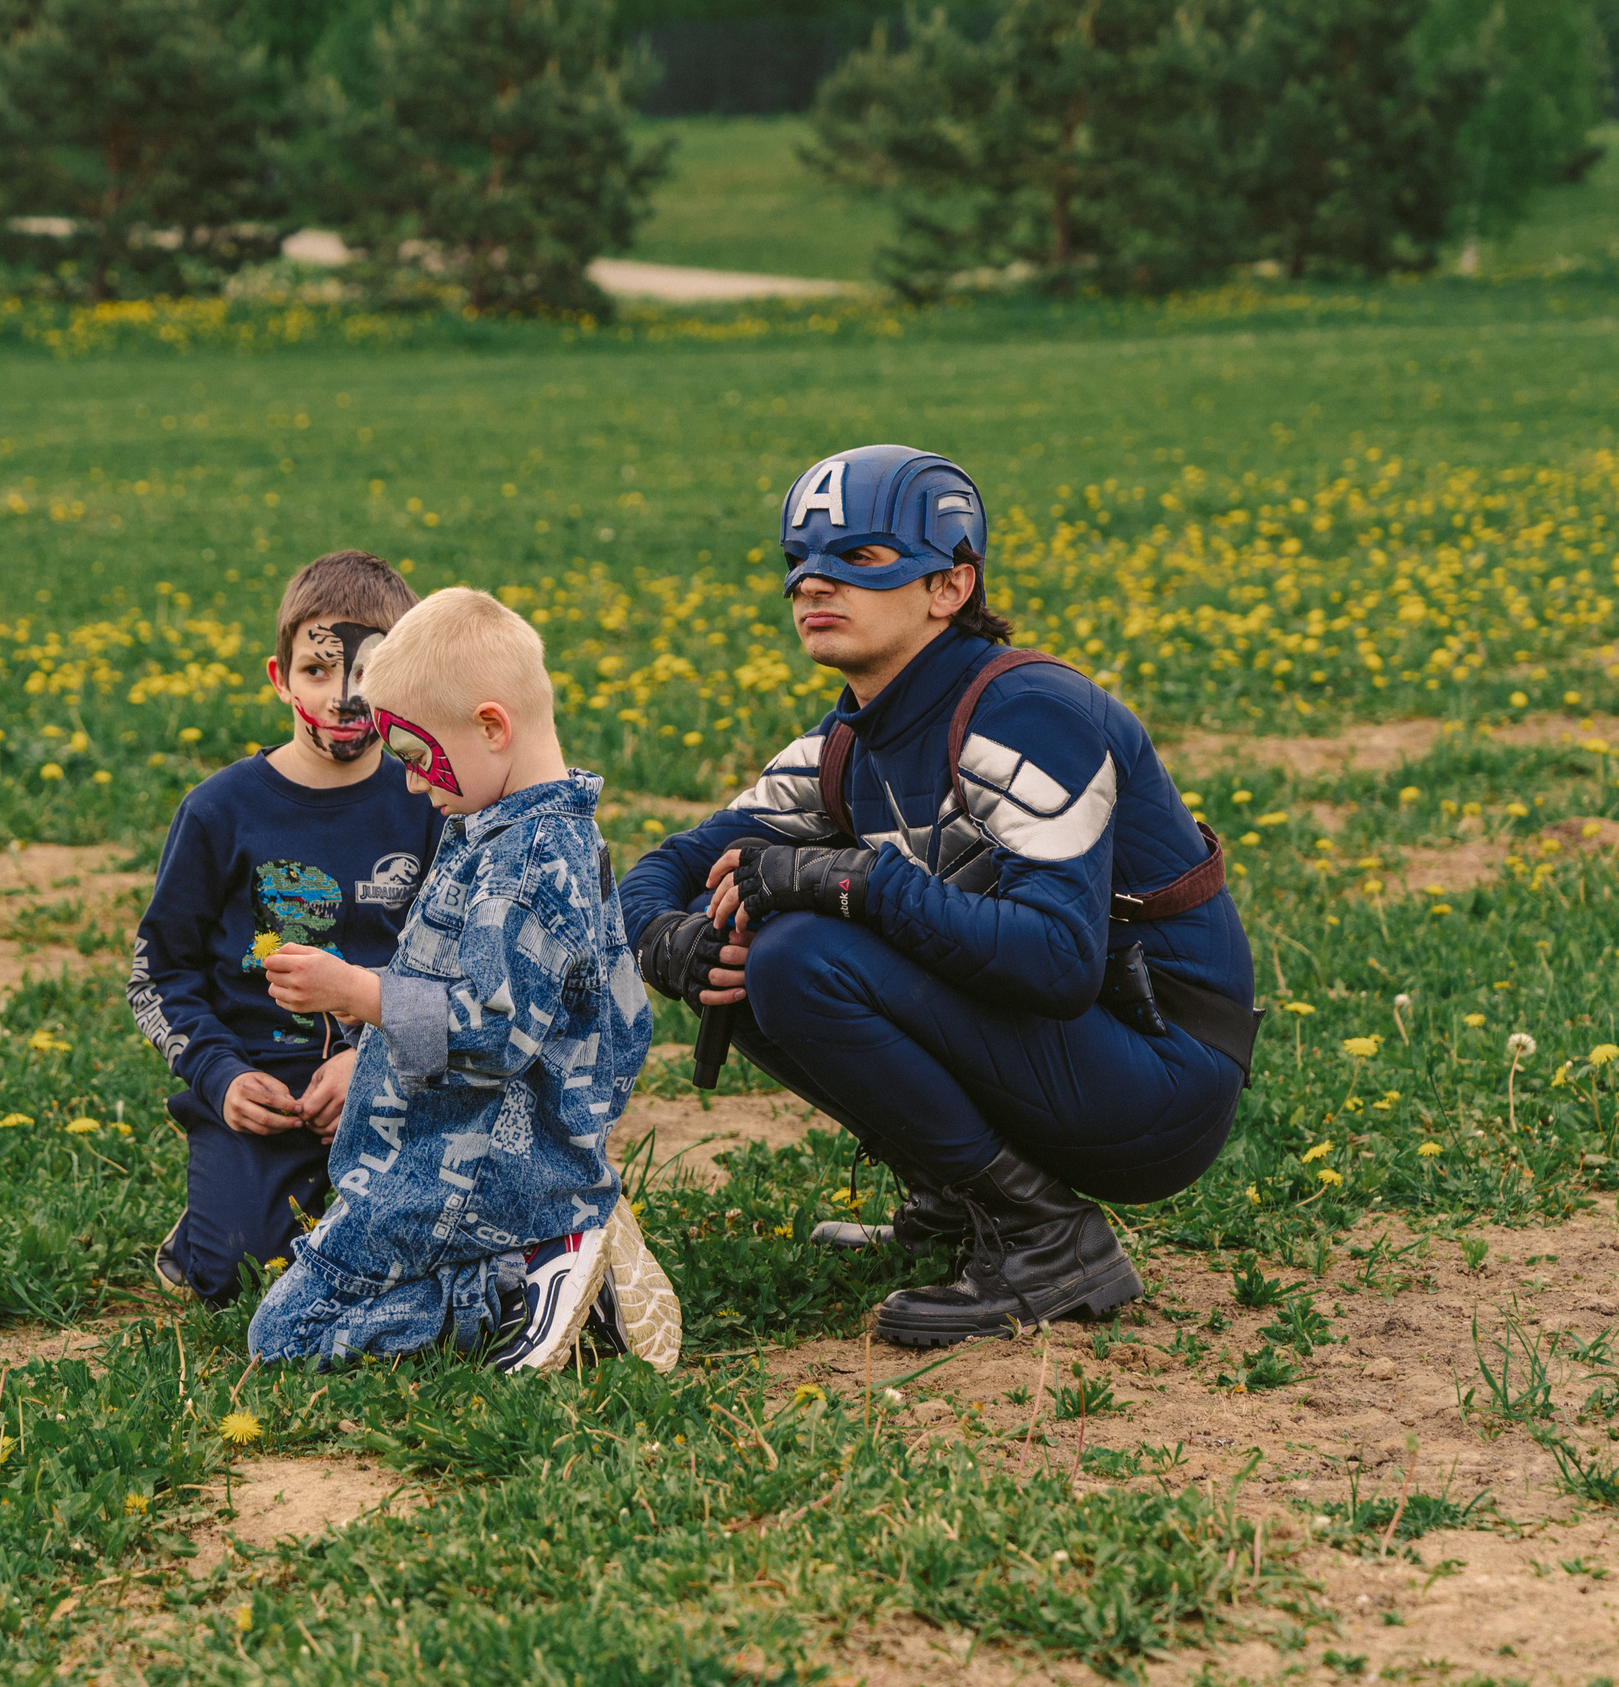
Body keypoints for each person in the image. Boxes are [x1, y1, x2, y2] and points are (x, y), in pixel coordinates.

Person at [620, 445, 1258, 1348]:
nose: (814, 582)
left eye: (864, 559)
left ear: (951, 586)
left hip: (1161, 1076)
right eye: (799, 563)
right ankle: (962, 1204)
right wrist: (663, 936)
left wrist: (857, 881)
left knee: (800, 949)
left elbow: (1060, 961)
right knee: (750, 954)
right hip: (1077, 1053)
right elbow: (671, 864)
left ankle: (1046, 1236)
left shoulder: (1029, 710)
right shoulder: (853, 733)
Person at [250, 587, 679, 1372]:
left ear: (491, 726)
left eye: (416, 758)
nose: (412, 783)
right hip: (479, 1155)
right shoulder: (518, 835)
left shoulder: (523, 865)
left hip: (469, 1167)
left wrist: (355, 991)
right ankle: (565, 1249)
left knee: (286, 1333)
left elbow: (487, 1029)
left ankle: (521, 1284)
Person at [127, 551, 445, 1306]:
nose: (341, 698)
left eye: (366, 672)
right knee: (233, 1273)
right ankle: (217, 1221)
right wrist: (220, 1075)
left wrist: (373, 1060)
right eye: (316, 669)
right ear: (279, 676)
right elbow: (157, 974)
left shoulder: (432, 801)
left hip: (392, 1080)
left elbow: (450, 968)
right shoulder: (217, 810)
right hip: (259, 1088)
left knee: (419, 1247)